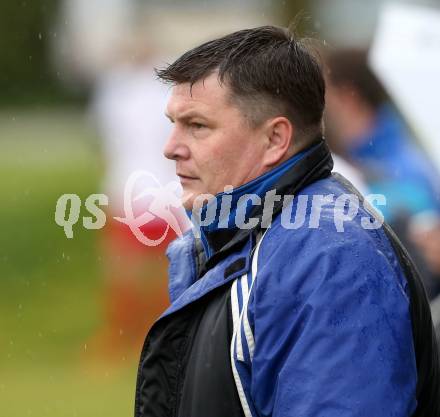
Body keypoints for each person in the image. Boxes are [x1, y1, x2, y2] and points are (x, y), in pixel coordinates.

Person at [134, 26, 439, 416]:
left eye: (197, 126)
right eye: (173, 123)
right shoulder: (250, 234)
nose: (170, 148)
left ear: (276, 139)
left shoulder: (331, 259)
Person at [324, 48, 440, 299]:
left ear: (347, 96)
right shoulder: (351, 156)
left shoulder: (406, 167)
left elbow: (426, 260)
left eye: (324, 95)